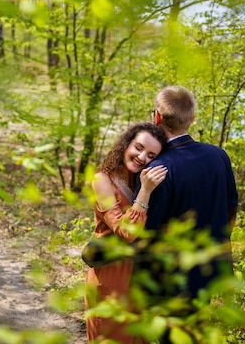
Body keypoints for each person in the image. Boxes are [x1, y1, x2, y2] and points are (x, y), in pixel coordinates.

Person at [135, 86, 238, 323]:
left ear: (157, 117)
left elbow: (145, 230)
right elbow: (231, 207)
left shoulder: (156, 170)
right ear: (192, 118)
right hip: (209, 267)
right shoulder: (219, 155)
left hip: (171, 278)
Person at [85, 122, 169, 344]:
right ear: (126, 144)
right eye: (138, 147)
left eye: (151, 155)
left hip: (138, 276)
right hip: (111, 273)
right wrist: (145, 192)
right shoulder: (102, 180)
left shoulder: (140, 179)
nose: (142, 157)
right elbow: (125, 231)